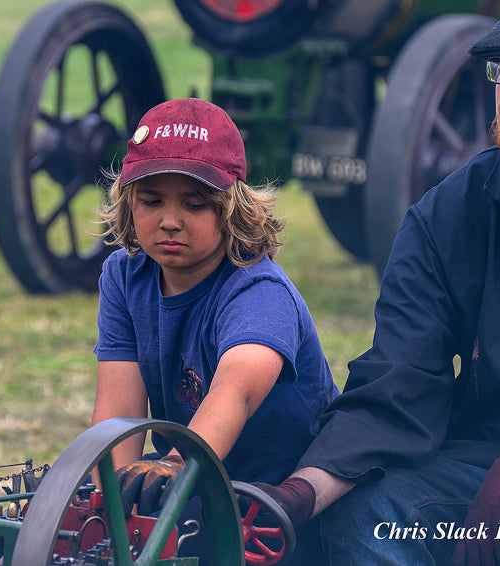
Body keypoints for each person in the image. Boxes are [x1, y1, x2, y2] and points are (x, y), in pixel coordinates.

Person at [255, 0, 500, 564]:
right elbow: (399, 380)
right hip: (480, 467)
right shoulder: (445, 215)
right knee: (369, 514)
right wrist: (297, 495)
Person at [90, 97, 338, 560]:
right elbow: (119, 420)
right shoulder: (125, 278)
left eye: (195, 203)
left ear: (231, 208)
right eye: (151, 200)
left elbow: (234, 392)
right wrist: (113, 511)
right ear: (127, 201)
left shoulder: (258, 291)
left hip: (279, 510)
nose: (169, 221)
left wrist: (176, 465)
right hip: (189, 495)